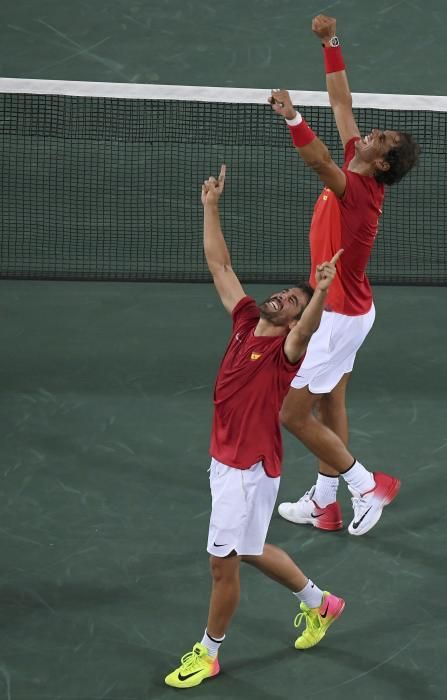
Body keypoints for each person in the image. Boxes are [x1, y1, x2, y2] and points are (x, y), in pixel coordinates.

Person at [165, 165, 344, 689]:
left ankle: (209, 651)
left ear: (293, 323)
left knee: (224, 566)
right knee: (247, 547)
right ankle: (321, 603)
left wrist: (321, 296)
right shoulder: (245, 320)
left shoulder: (285, 350)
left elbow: (308, 328)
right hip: (234, 461)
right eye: (288, 295)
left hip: (246, 469)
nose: (285, 299)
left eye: (293, 302)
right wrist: (211, 206)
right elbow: (219, 264)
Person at [270, 14, 420, 537]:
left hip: (334, 317)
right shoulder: (363, 168)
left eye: (379, 138)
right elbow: (340, 103)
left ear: (381, 163)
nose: (368, 133)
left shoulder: (352, 188)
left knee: (291, 414)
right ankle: (323, 503)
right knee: (330, 400)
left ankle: (365, 485)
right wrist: (330, 43)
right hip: (354, 311)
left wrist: (291, 118)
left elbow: (317, 159)